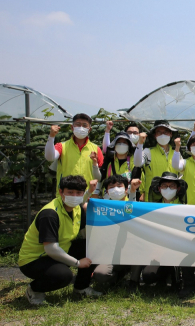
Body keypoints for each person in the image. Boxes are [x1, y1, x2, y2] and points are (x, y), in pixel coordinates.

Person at [18, 175, 102, 305]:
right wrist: (78, 263)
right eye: (70, 192)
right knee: (63, 276)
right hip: (35, 260)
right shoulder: (50, 214)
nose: (74, 196)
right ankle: (34, 289)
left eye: (78, 193)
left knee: (94, 247)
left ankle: (81, 287)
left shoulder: (77, 209)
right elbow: (51, 248)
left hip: (60, 250)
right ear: (60, 192)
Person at [92, 175, 143, 290]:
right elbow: (84, 206)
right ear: (107, 191)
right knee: (101, 275)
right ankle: (117, 277)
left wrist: (133, 191)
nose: (116, 189)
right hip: (109, 252)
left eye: (119, 186)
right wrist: (90, 192)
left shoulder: (132, 203)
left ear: (126, 190)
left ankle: (133, 281)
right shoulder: (101, 207)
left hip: (131, 249)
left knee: (139, 248)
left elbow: (132, 208)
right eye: (112, 187)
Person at [45, 113, 103, 195]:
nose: (81, 128)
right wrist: (51, 137)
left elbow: (99, 176)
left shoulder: (96, 149)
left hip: (88, 195)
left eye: (84, 125)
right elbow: (50, 157)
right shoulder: (62, 146)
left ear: (89, 129)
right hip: (66, 195)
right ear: (72, 127)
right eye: (78, 124)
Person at [133, 120, 179, 202]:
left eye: (166, 132)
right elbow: (137, 163)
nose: (163, 135)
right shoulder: (148, 152)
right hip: (152, 199)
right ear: (155, 135)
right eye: (159, 132)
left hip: (173, 199)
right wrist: (140, 143)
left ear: (171, 134)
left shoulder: (176, 153)